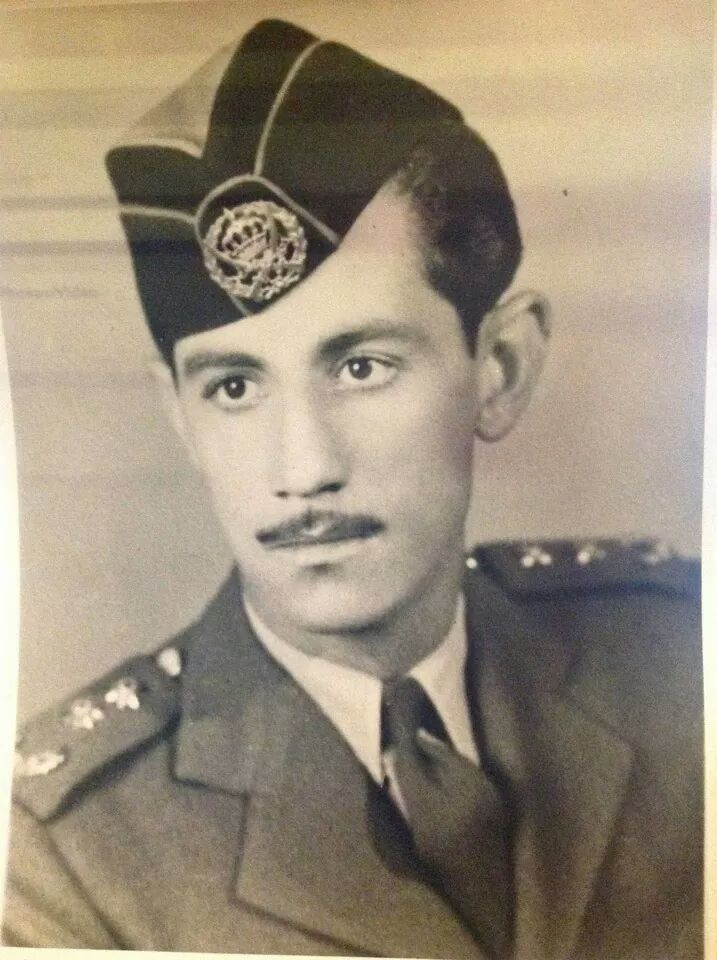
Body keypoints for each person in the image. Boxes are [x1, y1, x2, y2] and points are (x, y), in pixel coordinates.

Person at [2, 18, 702, 960]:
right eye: (234, 387)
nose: (302, 470)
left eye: (362, 366)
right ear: (181, 415)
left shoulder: (672, 663)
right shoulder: (60, 857)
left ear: (499, 367)